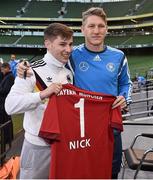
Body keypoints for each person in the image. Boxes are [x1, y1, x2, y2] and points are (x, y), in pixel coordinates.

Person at [16, 7, 132, 179]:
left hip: (109, 127)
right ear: (83, 29)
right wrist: (23, 65)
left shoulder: (119, 56)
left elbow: (126, 83)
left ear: (107, 28)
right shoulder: (71, 55)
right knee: (82, 172)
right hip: (80, 131)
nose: (96, 31)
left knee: (110, 172)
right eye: (91, 26)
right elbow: (49, 62)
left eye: (101, 26)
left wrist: (124, 98)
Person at [5, 23, 73, 179]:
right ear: (47, 44)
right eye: (62, 44)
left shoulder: (69, 73)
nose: (68, 49)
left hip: (63, 145)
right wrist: (42, 94)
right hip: (37, 147)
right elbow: (10, 106)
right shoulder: (31, 71)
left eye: (70, 44)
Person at [0, 63, 14, 147]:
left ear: (6, 68)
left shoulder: (10, 77)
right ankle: (6, 138)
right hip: (3, 102)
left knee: (6, 120)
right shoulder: (7, 76)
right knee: (5, 120)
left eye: (2, 69)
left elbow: (5, 90)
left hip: (5, 102)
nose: (1, 71)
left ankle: (7, 139)